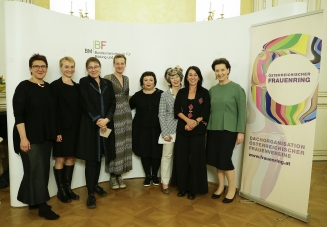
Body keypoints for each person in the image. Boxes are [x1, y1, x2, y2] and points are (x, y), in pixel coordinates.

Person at [12, 54, 59, 220]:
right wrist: (23, 139)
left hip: (45, 136)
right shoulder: (23, 87)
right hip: (29, 137)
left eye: (43, 66)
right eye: (36, 66)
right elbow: (18, 116)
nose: (40, 69)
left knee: (39, 170)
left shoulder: (47, 87)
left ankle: (31, 200)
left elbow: (51, 114)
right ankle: (42, 206)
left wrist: (55, 133)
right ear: (30, 68)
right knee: (37, 172)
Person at [75, 57, 116, 209]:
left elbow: (113, 103)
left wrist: (107, 119)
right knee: (92, 160)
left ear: (100, 67)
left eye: (96, 66)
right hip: (91, 126)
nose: (93, 69)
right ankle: (90, 194)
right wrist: (98, 120)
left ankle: (95, 185)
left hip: (106, 125)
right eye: (90, 67)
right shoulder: (84, 82)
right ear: (87, 69)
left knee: (99, 158)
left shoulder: (107, 83)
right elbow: (85, 103)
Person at [206, 58, 246, 203]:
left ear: (228, 70)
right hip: (213, 129)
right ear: (214, 73)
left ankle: (232, 188)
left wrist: (240, 131)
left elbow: (242, 112)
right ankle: (221, 186)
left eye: (223, 69)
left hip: (229, 130)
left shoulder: (237, 89)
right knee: (217, 160)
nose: (220, 73)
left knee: (224, 159)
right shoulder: (212, 90)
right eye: (217, 70)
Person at [171, 66, 210, 200]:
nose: (192, 77)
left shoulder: (204, 93)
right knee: (182, 159)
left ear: (199, 77)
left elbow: (206, 111)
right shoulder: (181, 92)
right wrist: (188, 121)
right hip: (183, 130)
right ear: (186, 77)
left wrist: (195, 122)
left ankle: (193, 189)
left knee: (196, 161)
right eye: (190, 75)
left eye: (195, 75)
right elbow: (177, 110)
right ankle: (183, 187)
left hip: (198, 131)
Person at [50, 56, 80, 203]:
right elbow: (52, 110)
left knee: (71, 158)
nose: (70, 69)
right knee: (60, 158)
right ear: (61, 68)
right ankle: (61, 190)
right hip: (60, 129)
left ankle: (68, 188)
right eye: (66, 67)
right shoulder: (54, 86)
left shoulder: (77, 86)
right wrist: (56, 131)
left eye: (72, 66)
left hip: (75, 129)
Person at [129, 71, 163, 186]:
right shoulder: (137, 96)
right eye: (146, 80)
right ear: (142, 82)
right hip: (141, 128)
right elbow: (127, 107)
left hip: (157, 128)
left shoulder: (161, 94)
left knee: (156, 153)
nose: (148, 82)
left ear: (154, 81)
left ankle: (155, 176)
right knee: (145, 152)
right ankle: (148, 176)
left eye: (151, 80)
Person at [104, 54, 132, 190]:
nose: (120, 66)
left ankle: (120, 174)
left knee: (125, 144)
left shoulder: (126, 79)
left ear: (125, 65)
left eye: (122, 63)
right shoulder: (107, 78)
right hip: (113, 114)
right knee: (115, 144)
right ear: (114, 64)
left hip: (126, 115)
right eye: (117, 63)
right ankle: (113, 176)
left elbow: (126, 96)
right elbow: (105, 98)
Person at [158, 66, 183, 194]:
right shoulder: (164, 95)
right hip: (169, 130)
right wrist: (165, 133)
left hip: (184, 130)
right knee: (166, 157)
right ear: (169, 80)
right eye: (172, 77)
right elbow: (161, 115)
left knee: (182, 157)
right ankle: (165, 183)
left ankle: (181, 182)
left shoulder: (187, 92)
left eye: (177, 76)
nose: (175, 79)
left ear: (181, 77)